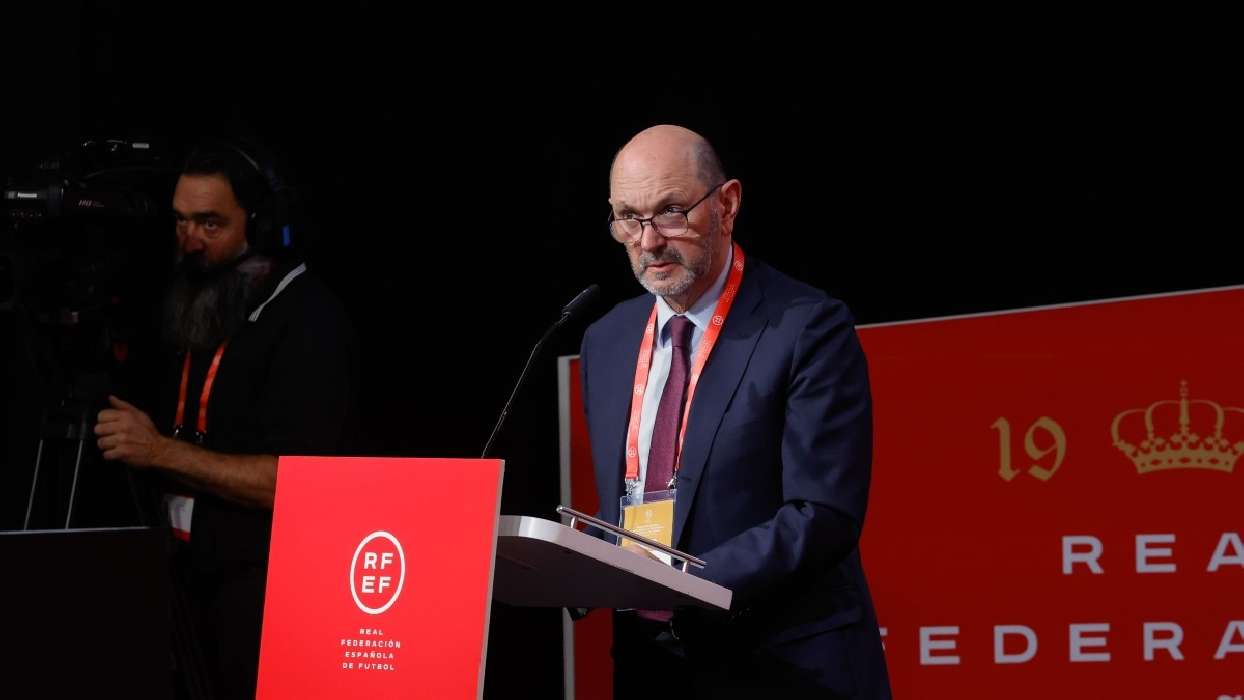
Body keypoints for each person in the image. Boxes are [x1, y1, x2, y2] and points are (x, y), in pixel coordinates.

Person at [578, 125, 890, 697]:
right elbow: (634, 498)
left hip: (780, 666)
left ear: (727, 204)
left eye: (671, 212)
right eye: (628, 218)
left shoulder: (806, 327)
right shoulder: (606, 339)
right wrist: (576, 564)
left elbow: (821, 514)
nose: (649, 241)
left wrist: (683, 581)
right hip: (652, 668)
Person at [93, 140, 358, 697]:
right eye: (180, 221)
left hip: (258, 600)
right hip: (170, 582)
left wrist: (159, 451)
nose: (190, 240)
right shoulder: (187, 299)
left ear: (259, 226)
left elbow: (291, 481)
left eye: (210, 223)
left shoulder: (309, 319)